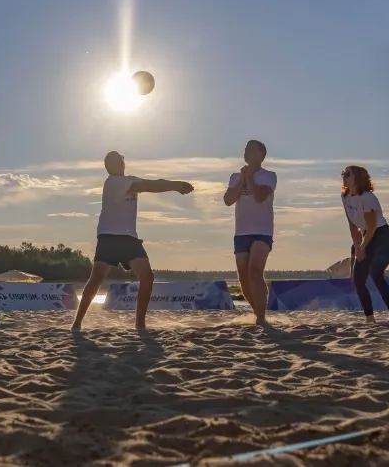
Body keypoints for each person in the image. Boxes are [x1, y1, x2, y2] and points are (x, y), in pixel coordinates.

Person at [71, 151, 194, 331]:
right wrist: (176, 185)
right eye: (120, 159)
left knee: (147, 276)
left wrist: (175, 185)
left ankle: (140, 323)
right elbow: (150, 186)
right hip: (109, 236)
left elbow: (153, 183)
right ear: (114, 164)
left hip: (129, 238)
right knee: (96, 278)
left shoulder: (129, 179)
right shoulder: (113, 182)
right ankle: (77, 323)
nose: (123, 161)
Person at [222, 140, 278, 325]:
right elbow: (228, 200)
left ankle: (261, 318)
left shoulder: (269, 176)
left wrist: (249, 179)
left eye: (250, 149)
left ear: (260, 154)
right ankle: (258, 312)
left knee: (255, 271)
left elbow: (261, 197)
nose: (245, 152)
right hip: (241, 232)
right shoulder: (235, 176)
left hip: (262, 231)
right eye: (245, 149)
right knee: (244, 280)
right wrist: (241, 179)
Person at [341, 165, 389, 325]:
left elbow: (372, 226)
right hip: (365, 235)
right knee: (357, 279)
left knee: (376, 274)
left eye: (347, 174)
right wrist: (357, 245)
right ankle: (370, 318)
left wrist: (362, 247)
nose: (344, 176)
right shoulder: (345, 196)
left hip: (382, 236)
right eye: (343, 174)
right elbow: (352, 225)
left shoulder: (368, 197)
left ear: (358, 178)